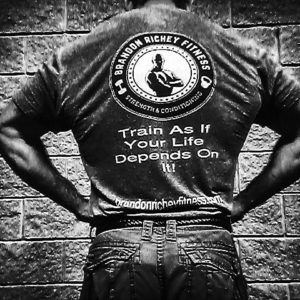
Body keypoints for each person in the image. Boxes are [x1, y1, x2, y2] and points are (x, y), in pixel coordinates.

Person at [0, 0, 299, 299]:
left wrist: (77, 204)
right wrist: (245, 200)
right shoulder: (242, 54)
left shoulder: (75, 58)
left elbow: (8, 130)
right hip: (207, 249)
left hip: (118, 250)